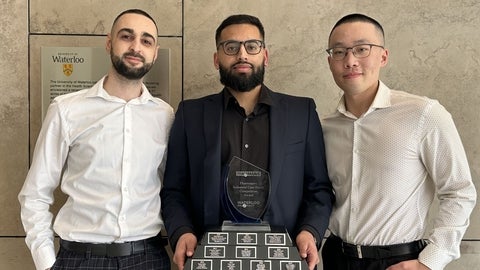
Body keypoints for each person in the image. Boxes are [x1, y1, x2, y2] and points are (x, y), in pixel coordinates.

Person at [161, 14, 334, 270]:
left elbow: (318, 188)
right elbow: (174, 189)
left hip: (283, 257)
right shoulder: (190, 114)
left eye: (251, 46)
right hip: (209, 257)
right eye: (231, 47)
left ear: (265, 55)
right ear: (216, 58)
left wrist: (310, 231)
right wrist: (182, 232)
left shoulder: (302, 113)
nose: (242, 54)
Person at [18, 9, 174, 270]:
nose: (136, 47)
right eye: (127, 36)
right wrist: (47, 264)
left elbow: (172, 190)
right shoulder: (66, 110)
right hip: (80, 258)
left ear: (155, 52)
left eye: (146, 41)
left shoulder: (165, 115)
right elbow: (35, 194)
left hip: (148, 257)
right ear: (109, 42)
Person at [321, 13, 477, 270]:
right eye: (339, 52)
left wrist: (430, 261)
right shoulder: (326, 127)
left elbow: (459, 190)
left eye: (361, 49)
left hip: (398, 262)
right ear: (330, 62)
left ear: (383, 56)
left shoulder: (423, 114)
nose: (350, 61)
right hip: (336, 256)